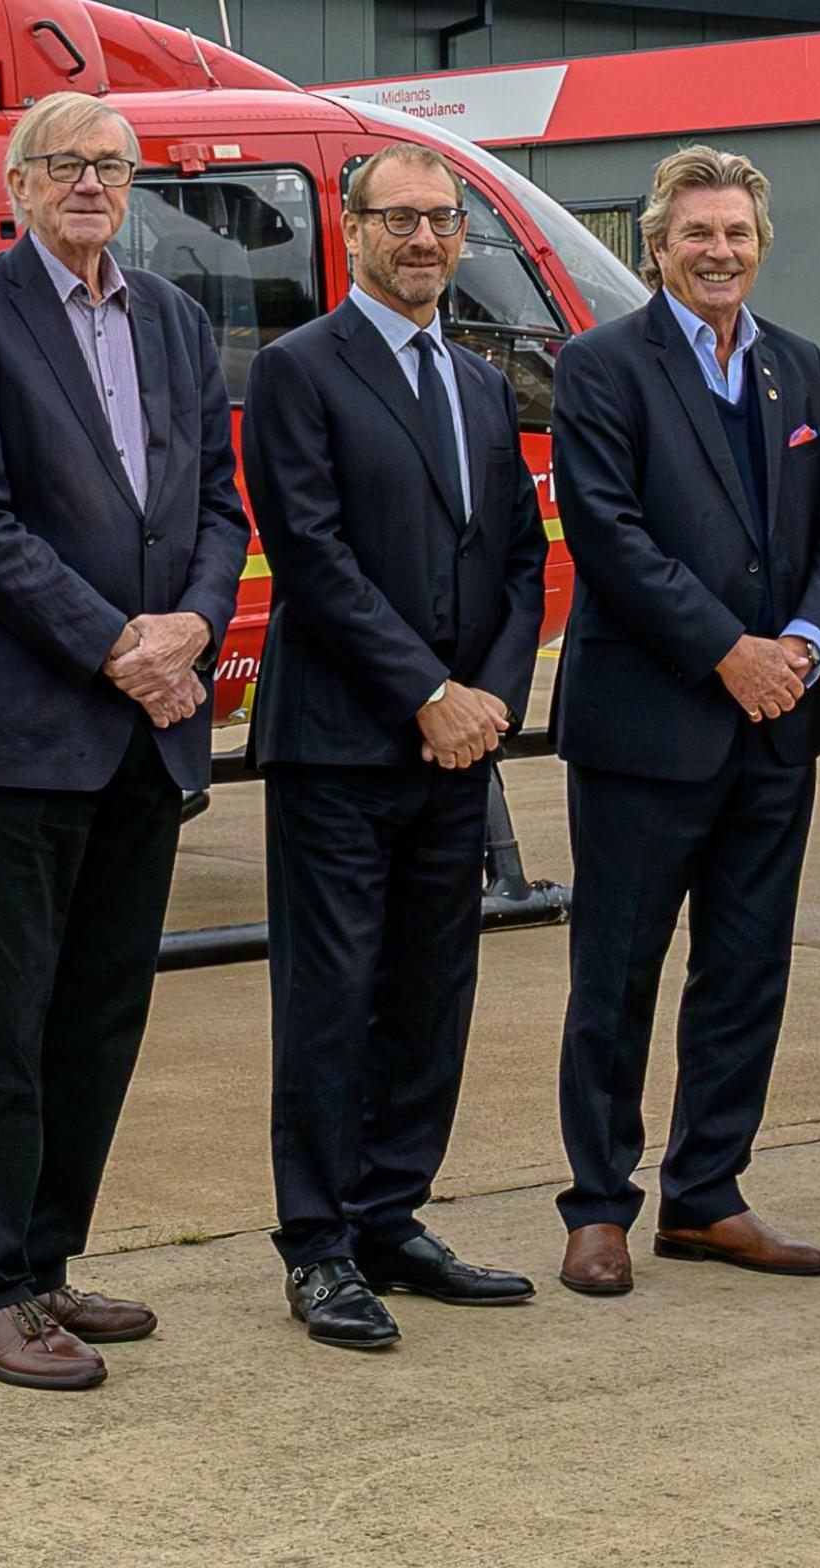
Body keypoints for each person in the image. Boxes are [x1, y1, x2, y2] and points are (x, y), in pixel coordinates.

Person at [0, 90, 248, 1392]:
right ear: (17, 185)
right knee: (8, 1022)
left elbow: (218, 505)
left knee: (100, 1016)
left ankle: (47, 1265)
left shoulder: (170, 317)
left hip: (146, 732)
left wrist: (195, 628)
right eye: (66, 165)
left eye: (112, 167)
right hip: (33, 729)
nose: (92, 184)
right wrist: (119, 643)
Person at [241, 140, 551, 1351]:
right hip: (342, 746)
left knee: (433, 994)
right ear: (351, 229)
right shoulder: (297, 371)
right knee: (332, 1002)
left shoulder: (479, 382)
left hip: (457, 746)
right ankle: (317, 1247)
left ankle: (392, 1216)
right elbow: (312, 555)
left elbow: (522, 556)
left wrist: (492, 698)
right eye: (399, 220)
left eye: (443, 222)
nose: (423, 241)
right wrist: (427, 690)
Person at [547, 145, 820, 1298]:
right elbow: (610, 535)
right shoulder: (601, 366)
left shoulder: (801, 369)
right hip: (649, 727)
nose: (718, 253)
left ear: (758, 247)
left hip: (776, 729)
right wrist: (729, 652)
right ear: (657, 248)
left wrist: (806, 649)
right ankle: (599, 1205)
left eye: (736, 236)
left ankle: (709, 1196)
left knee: (745, 971)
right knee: (617, 975)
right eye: (697, 236)